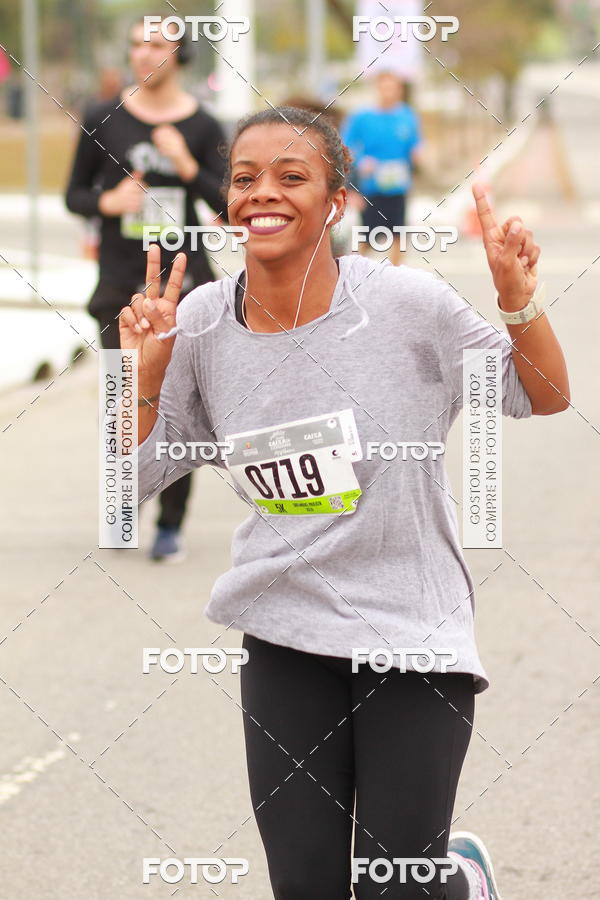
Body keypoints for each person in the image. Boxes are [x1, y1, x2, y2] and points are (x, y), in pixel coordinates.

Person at [123, 107, 569, 898]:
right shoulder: (198, 324)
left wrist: (517, 302)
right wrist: (144, 382)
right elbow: (125, 484)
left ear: (335, 201)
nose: (264, 193)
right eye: (245, 178)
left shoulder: (408, 305)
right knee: (309, 888)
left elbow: (541, 394)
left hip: (410, 629)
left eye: (292, 177)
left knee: (395, 887)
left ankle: (457, 881)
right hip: (285, 627)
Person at [65, 14, 227, 561]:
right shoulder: (102, 117)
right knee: (122, 404)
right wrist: (107, 203)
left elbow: (229, 207)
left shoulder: (205, 127)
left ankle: (170, 523)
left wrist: (186, 166)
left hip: (184, 289)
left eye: (156, 43)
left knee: (175, 406)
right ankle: (122, 504)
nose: (142, 53)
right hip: (119, 286)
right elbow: (74, 195)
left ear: (180, 52)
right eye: (136, 43)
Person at [342, 70, 423, 265]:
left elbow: (415, 144)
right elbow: (345, 146)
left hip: (398, 186)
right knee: (368, 235)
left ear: (400, 90)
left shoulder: (407, 116)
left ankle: (395, 277)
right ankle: (355, 274)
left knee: (398, 234)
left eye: (393, 88)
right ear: (377, 89)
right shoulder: (362, 117)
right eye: (384, 88)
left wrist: (417, 154)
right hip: (371, 186)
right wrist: (361, 161)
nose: (389, 92)